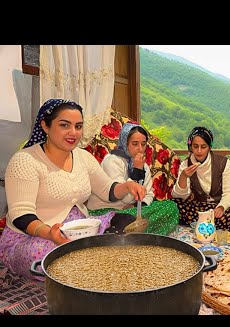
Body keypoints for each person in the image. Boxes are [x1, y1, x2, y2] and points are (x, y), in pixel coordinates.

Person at [0, 99, 146, 280]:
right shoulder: (25, 160)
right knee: (53, 253)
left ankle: (92, 264)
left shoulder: (83, 157)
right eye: (64, 125)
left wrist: (128, 186)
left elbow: (107, 189)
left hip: (78, 230)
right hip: (33, 238)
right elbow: (21, 214)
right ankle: (91, 266)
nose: (73, 133)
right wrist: (50, 233)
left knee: (125, 222)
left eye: (78, 126)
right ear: (45, 125)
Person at [87, 123, 179, 235]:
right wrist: (136, 171)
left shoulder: (143, 165)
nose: (140, 149)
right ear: (125, 143)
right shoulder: (112, 161)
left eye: (143, 144)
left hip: (130, 210)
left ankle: (131, 233)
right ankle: (122, 232)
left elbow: (149, 194)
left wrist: (135, 206)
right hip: (106, 211)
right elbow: (124, 198)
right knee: (128, 219)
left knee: (170, 207)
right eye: (135, 144)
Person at [171, 126, 230, 232]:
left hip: (218, 207)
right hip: (198, 208)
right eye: (195, 146)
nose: (199, 151)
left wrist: (221, 207)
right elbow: (181, 196)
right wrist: (183, 177)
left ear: (209, 147)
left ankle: (203, 225)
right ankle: (207, 225)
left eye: (203, 146)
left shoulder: (223, 163)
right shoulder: (185, 165)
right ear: (190, 146)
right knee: (174, 205)